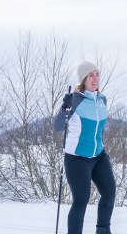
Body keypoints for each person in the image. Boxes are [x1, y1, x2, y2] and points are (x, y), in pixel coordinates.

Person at [53, 61, 116, 234]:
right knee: (81, 200)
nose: (95, 78)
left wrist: (102, 148)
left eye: (97, 73)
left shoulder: (102, 99)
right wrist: (63, 108)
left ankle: (103, 231)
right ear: (83, 79)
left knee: (109, 192)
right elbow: (58, 126)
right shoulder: (74, 100)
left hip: (98, 156)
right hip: (77, 158)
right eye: (91, 75)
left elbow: (99, 129)